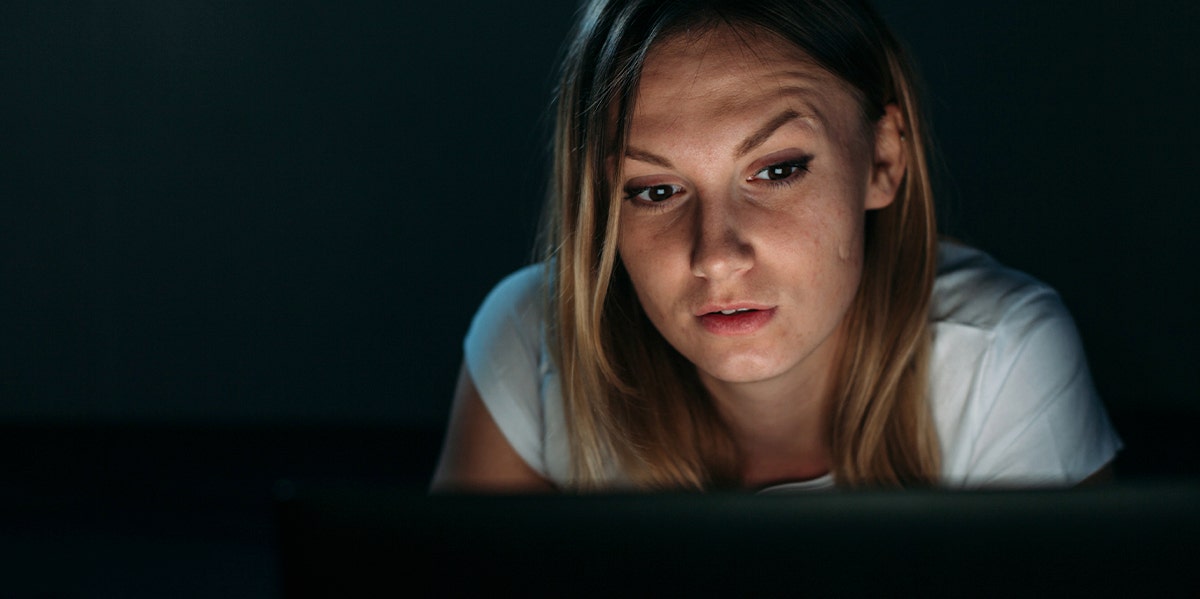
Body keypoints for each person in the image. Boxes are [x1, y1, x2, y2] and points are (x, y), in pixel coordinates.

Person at [431, 0, 1122, 493]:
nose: (716, 256)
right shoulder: (532, 344)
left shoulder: (999, 361)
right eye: (654, 190)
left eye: (777, 170)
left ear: (882, 160)